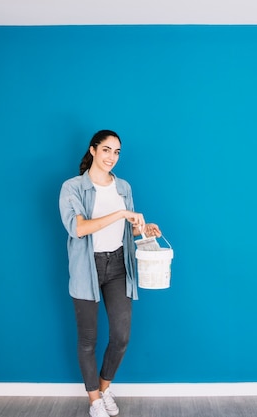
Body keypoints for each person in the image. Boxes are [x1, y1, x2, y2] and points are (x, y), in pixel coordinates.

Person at [59, 129, 161, 417]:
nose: (112, 157)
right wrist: (121, 215)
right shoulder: (73, 188)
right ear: (92, 150)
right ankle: (94, 401)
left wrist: (143, 228)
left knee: (121, 336)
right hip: (86, 267)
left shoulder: (123, 187)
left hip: (118, 265)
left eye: (117, 152)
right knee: (87, 339)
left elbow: (127, 225)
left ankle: (104, 390)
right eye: (106, 150)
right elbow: (78, 228)